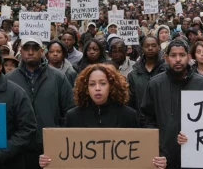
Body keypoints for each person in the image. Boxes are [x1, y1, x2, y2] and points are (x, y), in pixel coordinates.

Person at [39, 64, 167, 169]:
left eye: (103, 83)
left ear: (111, 86)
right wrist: (49, 159)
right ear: (85, 88)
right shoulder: (73, 116)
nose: (98, 88)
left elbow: (138, 153)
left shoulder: (128, 115)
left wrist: (157, 161)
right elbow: (65, 153)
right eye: (92, 84)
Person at [140, 39, 203, 168]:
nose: (178, 59)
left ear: (189, 57)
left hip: (196, 157)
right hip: (164, 158)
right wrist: (155, 150)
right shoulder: (155, 84)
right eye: (173, 56)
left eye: (182, 55)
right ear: (166, 58)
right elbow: (147, 120)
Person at [5, 37, 75, 169]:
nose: (30, 52)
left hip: (51, 148)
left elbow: (70, 110)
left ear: (42, 51)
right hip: (19, 150)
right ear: (21, 50)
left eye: (35, 48)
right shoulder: (9, 79)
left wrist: (58, 132)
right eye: (26, 48)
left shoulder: (58, 77)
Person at [127, 36, 166, 120]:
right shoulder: (133, 74)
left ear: (159, 47)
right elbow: (130, 102)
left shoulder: (167, 71)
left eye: (153, 45)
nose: (150, 48)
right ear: (142, 48)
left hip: (163, 120)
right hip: (141, 121)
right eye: (147, 46)